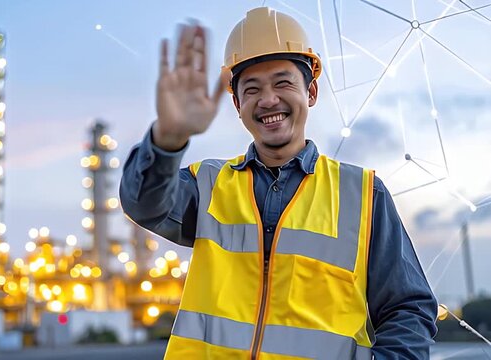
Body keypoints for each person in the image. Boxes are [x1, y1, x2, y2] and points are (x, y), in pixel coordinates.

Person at [120, 7, 437, 359]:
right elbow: (144, 205)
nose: (268, 99)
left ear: (311, 91)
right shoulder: (206, 184)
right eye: (252, 88)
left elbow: (408, 308)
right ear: (238, 104)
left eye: (283, 83)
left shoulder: (362, 194)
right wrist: (167, 138)